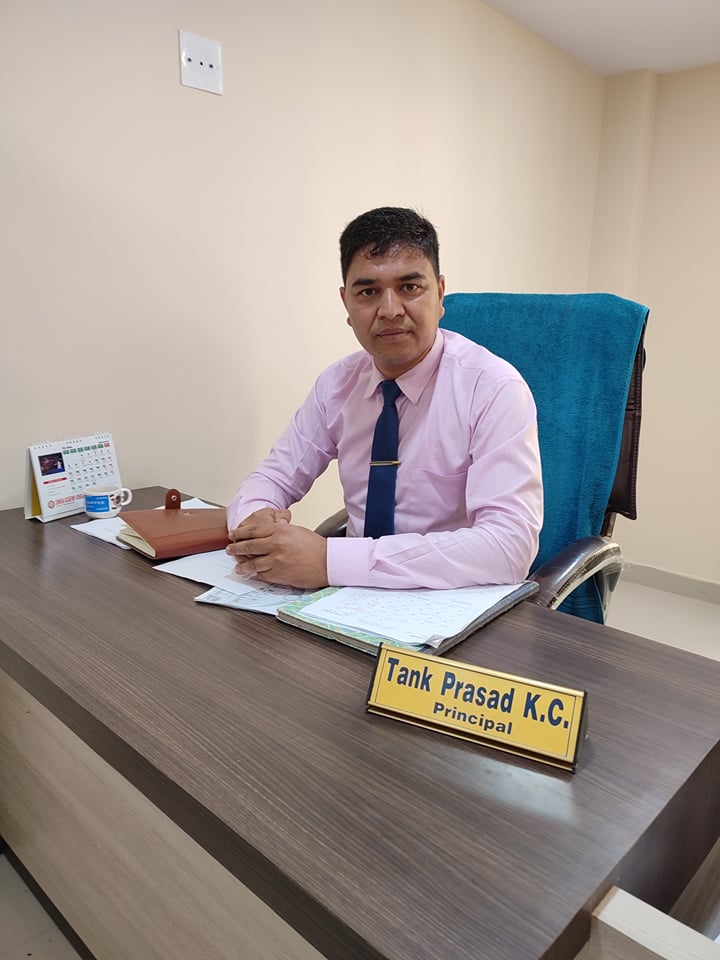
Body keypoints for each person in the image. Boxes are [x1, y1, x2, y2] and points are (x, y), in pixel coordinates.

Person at [226, 207, 543, 590]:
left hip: (452, 600)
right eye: (368, 292)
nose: (390, 311)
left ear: (440, 293)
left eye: (409, 288)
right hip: (349, 599)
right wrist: (255, 521)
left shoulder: (493, 389)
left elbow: (508, 548)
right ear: (346, 303)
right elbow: (273, 476)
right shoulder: (337, 385)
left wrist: (330, 561)